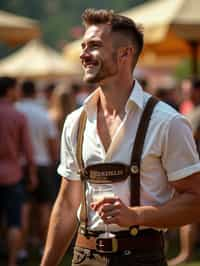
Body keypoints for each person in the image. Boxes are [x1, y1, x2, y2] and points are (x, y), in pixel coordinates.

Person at [41, 9, 200, 266]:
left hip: (141, 257)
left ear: (124, 53)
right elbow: (68, 204)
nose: (83, 54)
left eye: (94, 46)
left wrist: (136, 215)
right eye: (83, 46)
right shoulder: (75, 122)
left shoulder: (168, 123)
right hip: (84, 256)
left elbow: (195, 201)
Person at [16, 80, 59, 260]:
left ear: (20, 92)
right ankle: (43, 246)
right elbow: (52, 145)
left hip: (19, 164)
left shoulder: (15, 111)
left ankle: (21, 249)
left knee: (22, 209)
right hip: (42, 164)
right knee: (44, 208)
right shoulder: (44, 114)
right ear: (34, 92)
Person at [0, 76, 36, 266]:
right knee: (14, 221)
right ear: (9, 91)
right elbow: (28, 151)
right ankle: (12, 262)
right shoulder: (18, 116)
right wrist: (32, 174)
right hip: (12, 175)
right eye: (15, 89)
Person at [168, 78, 200, 266]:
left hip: (193, 168)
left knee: (189, 210)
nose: (186, 93)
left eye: (189, 90)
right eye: (184, 90)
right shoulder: (189, 109)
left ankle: (186, 254)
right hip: (190, 166)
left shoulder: (196, 112)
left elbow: (189, 136)